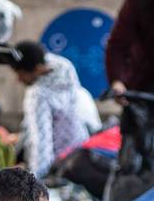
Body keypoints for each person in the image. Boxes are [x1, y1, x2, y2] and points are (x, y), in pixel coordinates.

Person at [11, 40, 99, 175]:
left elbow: (41, 142)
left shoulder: (38, 95)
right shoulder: (66, 67)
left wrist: (37, 178)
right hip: (80, 150)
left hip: (56, 164)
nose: (18, 79)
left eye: (21, 73)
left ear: (38, 69)